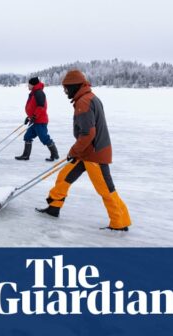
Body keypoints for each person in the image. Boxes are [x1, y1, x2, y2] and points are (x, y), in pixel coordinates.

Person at [36, 70, 131, 232]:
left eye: (66, 88)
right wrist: (78, 151)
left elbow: (88, 133)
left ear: (74, 86)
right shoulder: (89, 98)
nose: (65, 91)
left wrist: (74, 151)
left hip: (95, 154)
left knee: (106, 189)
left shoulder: (84, 102)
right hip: (86, 152)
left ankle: (119, 222)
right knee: (64, 177)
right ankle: (54, 207)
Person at [15, 77, 60, 161]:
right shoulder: (34, 92)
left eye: (29, 84)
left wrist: (34, 116)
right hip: (34, 120)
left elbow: (41, 107)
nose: (28, 85)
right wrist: (29, 117)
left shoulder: (39, 93)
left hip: (40, 121)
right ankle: (25, 155)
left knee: (44, 138)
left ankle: (54, 154)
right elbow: (33, 107)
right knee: (27, 136)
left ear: (33, 84)